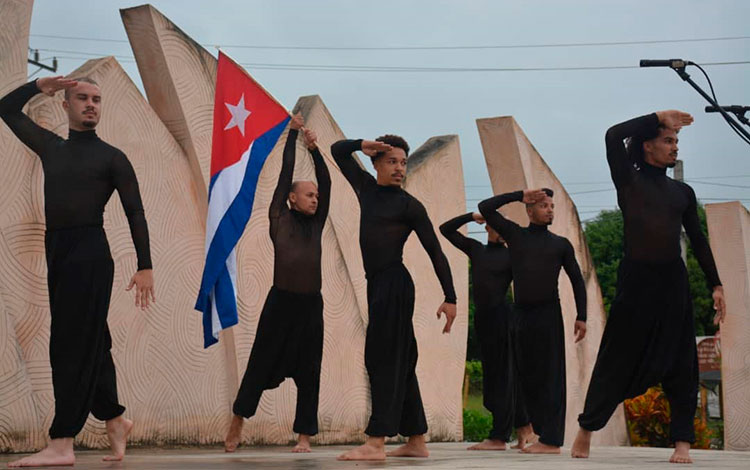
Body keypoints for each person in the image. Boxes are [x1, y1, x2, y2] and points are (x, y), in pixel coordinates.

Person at [1, 76, 155, 467]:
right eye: (83, 98)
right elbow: (5, 109)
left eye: (97, 99)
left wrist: (145, 265)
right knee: (91, 342)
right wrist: (39, 84)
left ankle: (62, 440)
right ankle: (116, 419)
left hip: (90, 252)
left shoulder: (112, 158)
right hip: (59, 251)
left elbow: (135, 211)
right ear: (65, 104)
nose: (91, 105)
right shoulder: (51, 148)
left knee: (68, 344)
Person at [571, 110, 726, 464]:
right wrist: (657, 115)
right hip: (636, 282)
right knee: (615, 357)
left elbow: (698, 241)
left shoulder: (682, 192)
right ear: (647, 147)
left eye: (676, 142)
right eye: (668, 141)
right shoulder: (629, 180)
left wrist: (716, 283)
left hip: (673, 283)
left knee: (683, 362)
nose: (674, 148)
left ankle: (682, 443)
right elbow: (612, 135)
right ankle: (587, 429)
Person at [331, 135, 457, 461]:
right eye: (392, 161)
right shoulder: (365, 188)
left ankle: (376, 443)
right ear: (376, 164)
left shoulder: (410, 206)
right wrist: (363, 144)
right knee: (402, 360)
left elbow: (436, 252)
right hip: (378, 286)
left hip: (395, 285)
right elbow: (337, 152)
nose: (400, 168)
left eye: (403, 162)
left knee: (382, 358)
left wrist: (451, 297)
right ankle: (416, 440)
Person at [224, 113, 330, 454]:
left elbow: (327, 184)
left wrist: (314, 150)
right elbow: (284, 177)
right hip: (280, 304)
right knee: (259, 363)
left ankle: (304, 437)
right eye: (308, 194)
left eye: (316, 196)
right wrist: (291, 138)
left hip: (310, 306)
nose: (314, 198)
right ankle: (238, 421)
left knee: (310, 370)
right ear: (291, 199)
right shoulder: (279, 219)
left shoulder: (316, 226)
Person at [478, 188, 587, 454]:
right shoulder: (516, 235)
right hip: (519, 316)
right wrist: (519, 194)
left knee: (550, 377)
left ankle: (551, 440)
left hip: (547, 315)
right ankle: (534, 432)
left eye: (552, 206)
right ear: (529, 210)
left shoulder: (560, 244)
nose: (550, 210)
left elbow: (576, 279)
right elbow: (486, 207)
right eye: (544, 206)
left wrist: (582, 316)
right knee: (524, 378)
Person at [439, 211, 534, 450]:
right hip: (484, 320)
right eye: (497, 226)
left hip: (504, 319)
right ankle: (525, 429)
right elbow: (445, 229)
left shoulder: (513, 255)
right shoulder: (476, 249)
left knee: (504, 377)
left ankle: (499, 437)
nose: (501, 231)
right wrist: (471, 216)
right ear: (488, 228)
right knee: (498, 376)